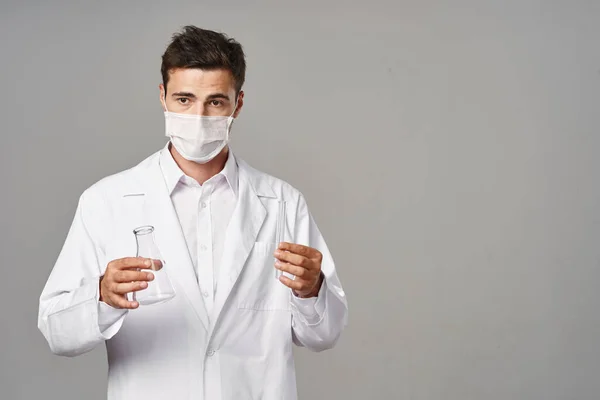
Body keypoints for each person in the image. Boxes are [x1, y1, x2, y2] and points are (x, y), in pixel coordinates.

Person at [37, 26, 348, 399]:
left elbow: (324, 335)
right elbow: (57, 333)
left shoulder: (282, 203)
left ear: (238, 104)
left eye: (216, 102)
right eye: (184, 100)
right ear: (163, 97)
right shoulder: (107, 201)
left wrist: (312, 290)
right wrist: (102, 297)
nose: (199, 116)